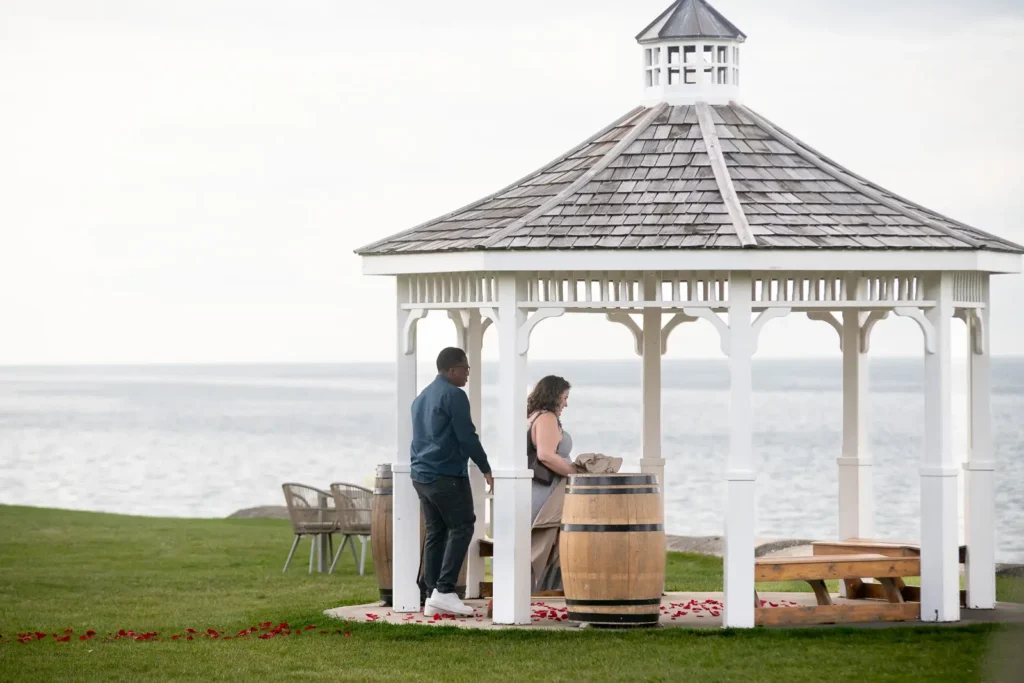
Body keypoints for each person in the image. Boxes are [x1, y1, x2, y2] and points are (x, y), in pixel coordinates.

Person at [410, 347, 493, 617]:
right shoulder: (454, 395)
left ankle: (431, 593)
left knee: (436, 532)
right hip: (446, 475)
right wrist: (485, 468)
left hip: (421, 475)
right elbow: (467, 436)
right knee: (463, 527)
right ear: (451, 369)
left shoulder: (421, 397)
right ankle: (445, 590)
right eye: (466, 368)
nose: (468, 374)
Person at [527, 375, 575, 525]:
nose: (566, 404)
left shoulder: (532, 415)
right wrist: (577, 474)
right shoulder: (546, 417)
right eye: (564, 398)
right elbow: (545, 455)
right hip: (546, 490)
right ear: (553, 396)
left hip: (537, 487)